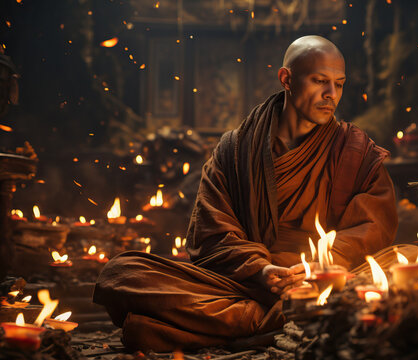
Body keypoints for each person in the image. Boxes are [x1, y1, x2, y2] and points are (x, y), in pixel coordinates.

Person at [94, 35, 400, 351]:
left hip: (328, 280)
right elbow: (212, 235)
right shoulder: (235, 149)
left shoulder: (355, 150)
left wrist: (324, 265)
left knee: (411, 258)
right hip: (247, 283)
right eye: (320, 81)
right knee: (123, 272)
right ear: (287, 79)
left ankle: (235, 325)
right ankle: (283, 322)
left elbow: (375, 227)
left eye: (339, 84)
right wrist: (263, 270)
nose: (331, 95)